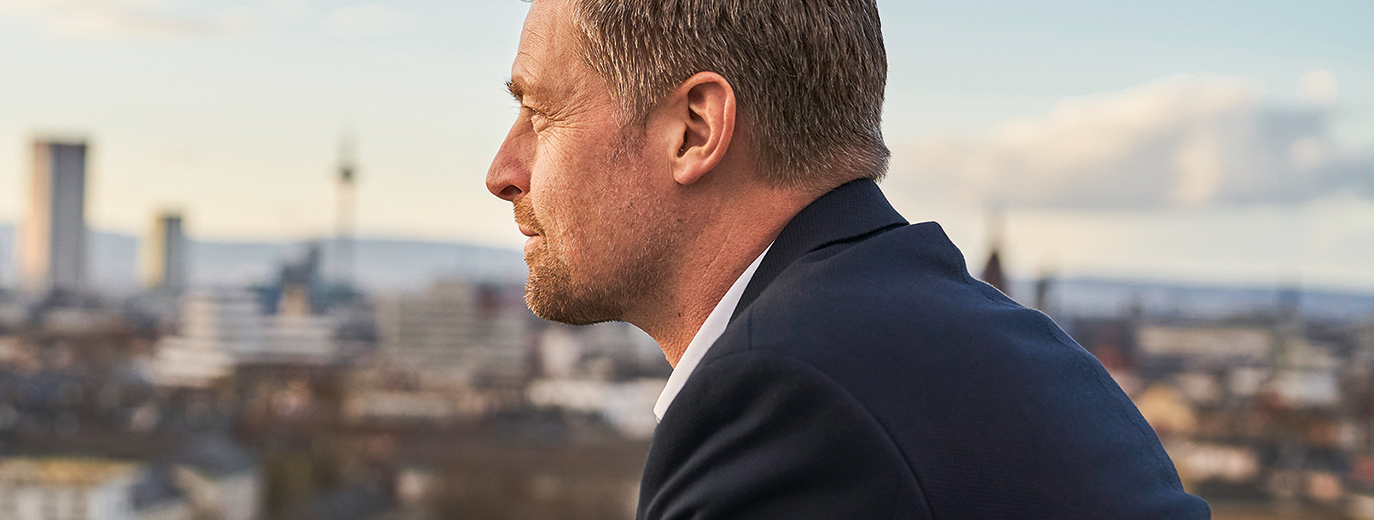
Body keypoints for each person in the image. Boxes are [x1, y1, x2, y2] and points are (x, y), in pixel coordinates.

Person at [482, 0, 1211, 518]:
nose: (503, 170)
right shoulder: (1024, 351)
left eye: (540, 113)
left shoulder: (789, 396)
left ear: (694, 129)